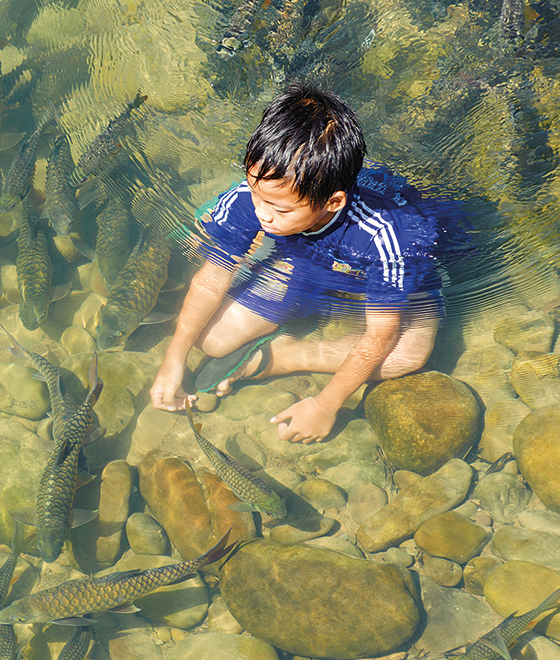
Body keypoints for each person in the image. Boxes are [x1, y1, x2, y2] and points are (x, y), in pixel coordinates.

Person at [150, 83, 447, 444]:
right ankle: (294, 301)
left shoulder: (387, 237)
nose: (263, 215)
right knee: (212, 340)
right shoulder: (254, 196)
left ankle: (280, 356)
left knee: (409, 353)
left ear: (333, 202)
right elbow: (210, 281)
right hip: (307, 257)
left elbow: (380, 335)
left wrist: (326, 404)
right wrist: (174, 357)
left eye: (279, 209)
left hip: (393, 266)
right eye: (257, 194)